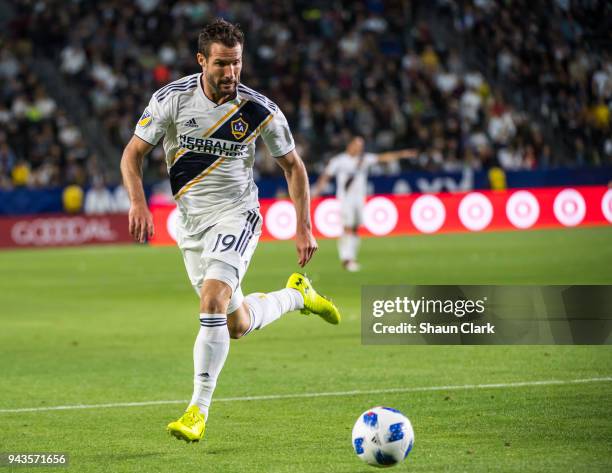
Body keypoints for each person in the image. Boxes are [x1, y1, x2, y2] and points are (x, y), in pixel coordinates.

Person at [120, 19, 340, 443]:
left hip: (237, 215)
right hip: (190, 225)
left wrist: (304, 228)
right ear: (202, 60)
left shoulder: (260, 109)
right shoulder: (171, 100)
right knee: (234, 323)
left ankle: (196, 411)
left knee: (212, 299)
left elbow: (293, 166)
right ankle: (297, 295)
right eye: (221, 64)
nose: (230, 73)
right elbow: (132, 155)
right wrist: (138, 202)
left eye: (236, 63)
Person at [312, 136, 417, 271]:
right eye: (357, 145)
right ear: (350, 145)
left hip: (359, 199)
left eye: (361, 146)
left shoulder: (364, 159)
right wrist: (317, 191)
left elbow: (383, 157)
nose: (360, 148)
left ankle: (352, 257)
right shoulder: (339, 160)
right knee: (347, 227)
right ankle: (346, 259)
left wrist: (403, 154)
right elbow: (326, 175)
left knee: (355, 228)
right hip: (346, 200)